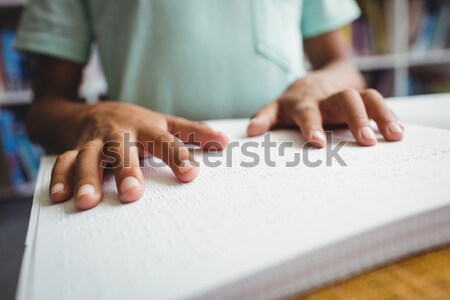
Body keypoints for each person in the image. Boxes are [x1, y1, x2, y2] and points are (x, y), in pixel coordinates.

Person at [15, 0, 404, 210]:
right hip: (147, 170)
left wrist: (319, 84)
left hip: (290, 157)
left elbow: (342, 65)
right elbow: (44, 110)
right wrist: (96, 115)